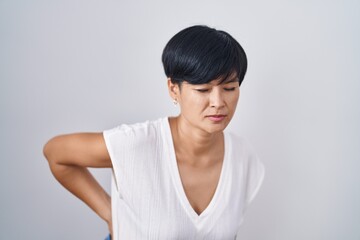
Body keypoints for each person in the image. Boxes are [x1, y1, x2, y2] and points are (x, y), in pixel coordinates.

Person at [43, 25, 265, 240]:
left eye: (229, 88)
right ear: (173, 89)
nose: (218, 102)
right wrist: (109, 213)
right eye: (203, 90)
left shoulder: (243, 157)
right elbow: (55, 153)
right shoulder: (138, 144)